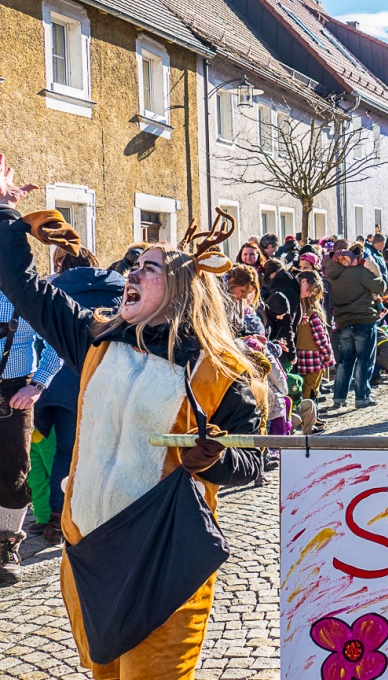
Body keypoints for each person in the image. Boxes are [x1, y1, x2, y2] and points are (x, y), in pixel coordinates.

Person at [0, 166, 265, 677]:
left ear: (183, 288)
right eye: (134, 265)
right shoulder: (97, 339)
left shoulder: (216, 371)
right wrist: (6, 210)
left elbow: (251, 462)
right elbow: (25, 287)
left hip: (163, 557)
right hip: (88, 550)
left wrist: (212, 459)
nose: (132, 274)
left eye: (149, 268)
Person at [31, 249, 125, 548]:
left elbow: (38, 333)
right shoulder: (121, 288)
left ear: (62, 264)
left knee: (64, 452)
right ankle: (106, 515)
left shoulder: (51, 287)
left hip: (60, 380)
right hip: (107, 376)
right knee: (110, 449)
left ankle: (58, 520)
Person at [0, 289, 62, 583]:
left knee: (16, 471)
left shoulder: (27, 292)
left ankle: (7, 545)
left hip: (15, 391)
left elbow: (57, 340)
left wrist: (38, 385)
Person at [325, 242, 385, 409]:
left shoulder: (334, 274)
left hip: (344, 321)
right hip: (363, 319)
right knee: (364, 360)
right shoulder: (360, 272)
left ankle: (339, 397)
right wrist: (373, 269)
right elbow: (380, 286)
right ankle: (362, 396)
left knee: (345, 361)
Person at [295, 270, 335, 402]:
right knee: (312, 389)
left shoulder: (300, 313)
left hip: (301, 353)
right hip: (314, 356)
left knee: (304, 387)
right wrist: (328, 353)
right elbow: (320, 337)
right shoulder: (313, 313)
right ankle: (310, 416)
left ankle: (307, 414)